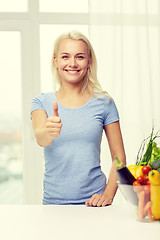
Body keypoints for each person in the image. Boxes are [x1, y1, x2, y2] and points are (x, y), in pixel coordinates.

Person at [31, 31, 126, 206]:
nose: (72, 63)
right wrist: (48, 131)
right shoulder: (41, 101)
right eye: (65, 56)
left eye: (80, 57)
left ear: (89, 61)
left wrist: (107, 195)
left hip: (94, 205)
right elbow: (40, 138)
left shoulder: (104, 103)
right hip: (53, 205)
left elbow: (119, 158)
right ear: (56, 61)